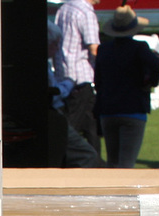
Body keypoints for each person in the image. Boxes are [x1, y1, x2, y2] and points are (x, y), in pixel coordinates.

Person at [93, 6, 159, 169]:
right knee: (126, 164)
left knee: (112, 162)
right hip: (133, 110)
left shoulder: (104, 49)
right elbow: (155, 64)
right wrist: (150, 82)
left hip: (108, 110)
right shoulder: (139, 48)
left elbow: (98, 80)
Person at [53, 0, 101, 159]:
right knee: (72, 128)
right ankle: (61, 160)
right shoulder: (86, 12)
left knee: (91, 125)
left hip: (64, 74)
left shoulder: (64, 8)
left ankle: (95, 162)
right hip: (81, 78)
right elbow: (94, 48)